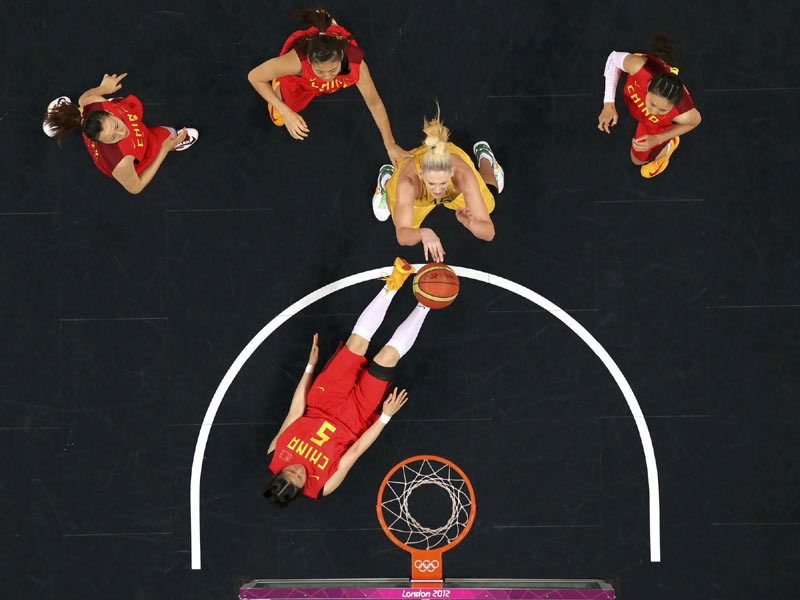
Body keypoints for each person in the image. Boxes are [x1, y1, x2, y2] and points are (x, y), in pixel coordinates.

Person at [265, 258, 427, 505]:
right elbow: (356, 451)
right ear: (301, 489)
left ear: (279, 471)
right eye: (299, 478)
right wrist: (385, 417)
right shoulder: (323, 487)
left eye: (291, 471)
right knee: (387, 357)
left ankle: (395, 281)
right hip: (355, 420)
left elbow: (294, 411)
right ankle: (426, 301)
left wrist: (310, 368)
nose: (298, 470)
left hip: (321, 402)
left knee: (356, 344)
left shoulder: (276, 453)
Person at [247, 8, 410, 165]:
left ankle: (327, 24)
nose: (326, 77)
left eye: (332, 70)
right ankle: (279, 82)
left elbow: (374, 103)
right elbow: (254, 77)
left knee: (331, 29)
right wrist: (286, 111)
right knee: (279, 119)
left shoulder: (356, 64)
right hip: (302, 83)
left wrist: (390, 144)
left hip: (331, 45)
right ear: (310, 61)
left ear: (341, 57)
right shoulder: (296, 61)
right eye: (319, 71)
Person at [371, 107, 504, 262]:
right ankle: (386, 179)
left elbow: (489, 232)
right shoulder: (408, 182)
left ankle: (486, 159)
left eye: (442, 183)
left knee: (489, 206)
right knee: (404, 221)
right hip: (416, 191)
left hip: (454, 186)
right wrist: (423, 233)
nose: (438, 190)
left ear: (451, 173)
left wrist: (471, 223)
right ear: (421, 174)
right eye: (432, 183)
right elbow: (402, 235)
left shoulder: (462, 175)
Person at [42, 73, 198, 194]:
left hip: (115, 114)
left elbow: (85, 97)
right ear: (102, 143)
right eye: (112, 138)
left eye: (116, 125)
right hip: (140, 148)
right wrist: (163, 150)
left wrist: (103, 88)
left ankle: (60, 116)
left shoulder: (93, 102)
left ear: (108, 112)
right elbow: (136, 187)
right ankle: (58, 120)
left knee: (82, 110)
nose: (122, 132)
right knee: (170, 134)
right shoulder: (120, 162)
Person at [597, 34, 702, 178]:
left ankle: (669, 146)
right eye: (652, 103)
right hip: (643, 71)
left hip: (656, 126)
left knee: (637, 161)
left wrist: (660, 138)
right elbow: (613, 59)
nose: (653, 111)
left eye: (663, 109)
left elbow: (695, 121)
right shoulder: (639, 68)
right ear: (647, 88)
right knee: (636, 61)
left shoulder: (684, 112)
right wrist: (608, 103)